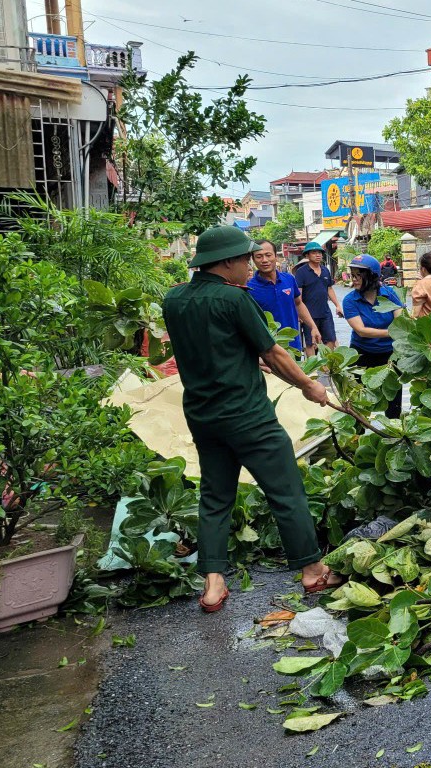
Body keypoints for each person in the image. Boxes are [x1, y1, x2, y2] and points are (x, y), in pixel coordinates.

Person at [162, 226, 342, 613]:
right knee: (286, 491)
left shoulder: (174, 299)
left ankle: (212, 584)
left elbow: (215, 347)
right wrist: (310, 386)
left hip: (202, 415)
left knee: (214, 496)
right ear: (225, 262)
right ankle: (312, 570)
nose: (250, 265)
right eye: (245, 259)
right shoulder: (233, 300)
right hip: (248, 416)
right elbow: (275, 354)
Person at [343, 254, 405, 419]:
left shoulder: (389, 294)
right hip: (362, 354)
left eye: (358, 275)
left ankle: (393, 436)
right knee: (359, 402)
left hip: (390, 355)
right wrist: (391, 333)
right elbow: (361, 330)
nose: (353, 280)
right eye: (352, 275)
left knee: (393, 401)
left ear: (371, 277)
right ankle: (357, 436)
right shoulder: (350, 300)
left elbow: (401, 321)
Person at [247, 240, 320, 354]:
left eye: (268, 255)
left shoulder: (289, 279)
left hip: (293, 346)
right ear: (253, 260)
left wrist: (313, 327)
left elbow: (298, 303)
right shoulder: (249, 288)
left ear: (276, 257)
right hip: (269, 351)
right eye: (259, 256)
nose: (264, 260)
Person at [294, 241, 343, 357]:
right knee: (311, 342)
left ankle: (327, 368)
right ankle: (313, 369)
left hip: (325, 312)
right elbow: (298, 295)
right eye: (314, 253)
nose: (318, 255)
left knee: (330, 339)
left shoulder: (325, 270)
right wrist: (299, 314)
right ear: (307, 255)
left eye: (320, 253)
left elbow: (329, 289)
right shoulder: (301, 272)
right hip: (309, 314)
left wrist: (337, 305)